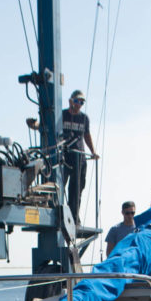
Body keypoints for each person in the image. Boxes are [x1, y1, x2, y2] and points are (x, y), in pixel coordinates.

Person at [62, 89, 98, 222]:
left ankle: (73, 218)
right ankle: (58, 214)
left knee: (76, 190)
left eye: (81, 102)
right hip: (65, 158)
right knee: (60, 186)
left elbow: (87, 135)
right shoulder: (62, 115)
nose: (79, 104)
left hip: (80, 159)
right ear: (71, 101)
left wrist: (93, 151)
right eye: (77, 101)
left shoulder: (84, 118)